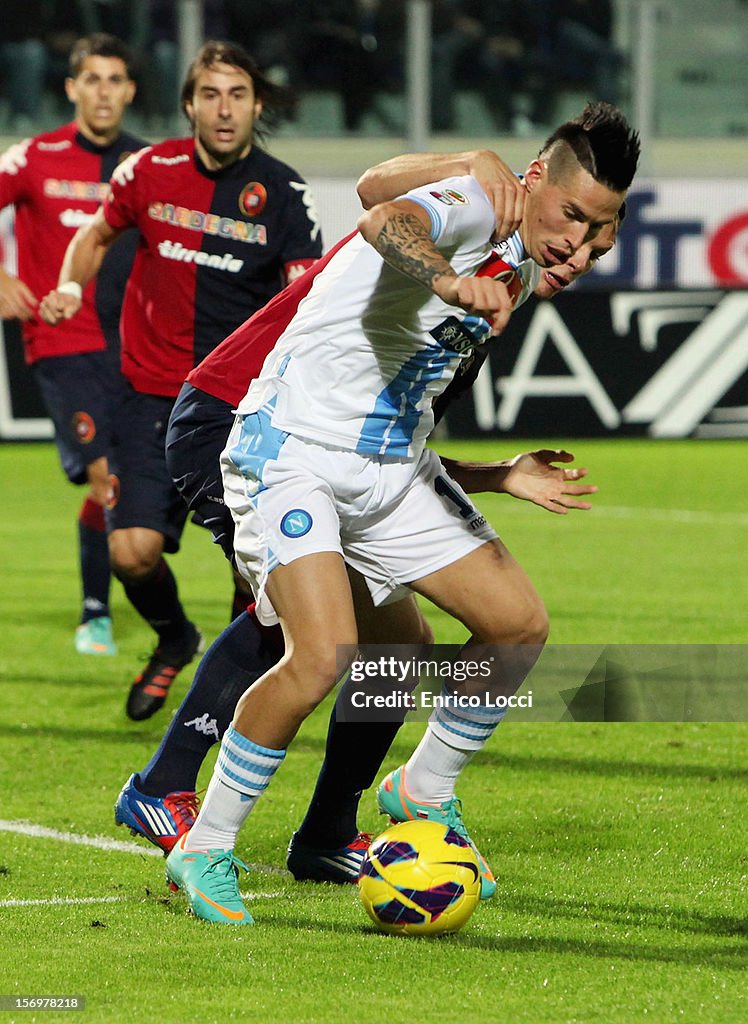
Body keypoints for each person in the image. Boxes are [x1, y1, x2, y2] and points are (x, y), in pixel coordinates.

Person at [156, 103, 639, 924]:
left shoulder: (523, 266)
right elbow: (384, 211)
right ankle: (205, 849)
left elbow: (395, 403)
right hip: (293, 452)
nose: (580, 245)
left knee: (516, 626)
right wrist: (450, 274)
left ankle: (423, 786)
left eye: (601, 234)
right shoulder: (484, 203)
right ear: (535, 183)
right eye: (573, 218)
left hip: (391, 475)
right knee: (316, 659)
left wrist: (498, 474)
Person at [39, 41, 323, 720]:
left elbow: (305, 300)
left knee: (253, 571)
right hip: (148, 397)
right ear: (189, 103)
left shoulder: (283, 195)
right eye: (210, 95)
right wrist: (71, 288)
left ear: (257, 105)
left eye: (238, 95)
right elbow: (95, 236)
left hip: (238, 406)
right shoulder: (149, 170)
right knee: (131, 554)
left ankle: (227, 694)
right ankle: (174, 640)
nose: (224, 110)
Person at [0, 33, 145, 657]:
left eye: (115, 80)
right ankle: (96, 615)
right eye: (93, 79)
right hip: (62, 342)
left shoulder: (149, 164)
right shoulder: (32, 156)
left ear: (131, 90)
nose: (104, 91)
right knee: (107, 478)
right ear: (71, 87)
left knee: (138, 489)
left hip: (140, 349)